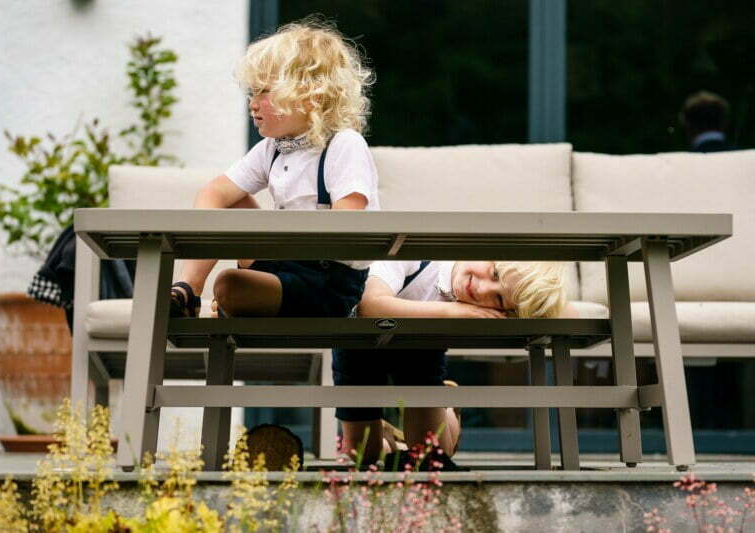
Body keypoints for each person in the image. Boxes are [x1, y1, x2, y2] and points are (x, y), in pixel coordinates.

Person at [169, 20, 379, 320]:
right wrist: (212, 232)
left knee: (229, 283)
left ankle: (236, 300)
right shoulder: (272, 148)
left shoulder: (344, 145)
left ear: (311, 95)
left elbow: (346, 226)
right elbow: (213, 193)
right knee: (231, 199)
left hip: (325, 282)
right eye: (251, 94)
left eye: (263, 92)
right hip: (280, 262)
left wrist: (276, 241)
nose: (252, 105)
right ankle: (188, 289)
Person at [334, 260, 575, 469]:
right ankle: (388, 442)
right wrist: (451, 311)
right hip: (360, 345)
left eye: (498, 299)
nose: (482, 289)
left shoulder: (475, 304)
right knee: (361, 455)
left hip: (419, 352)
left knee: (429, 457)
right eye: (495, 274)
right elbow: (369, 307)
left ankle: (447, 409)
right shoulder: (419, 259)